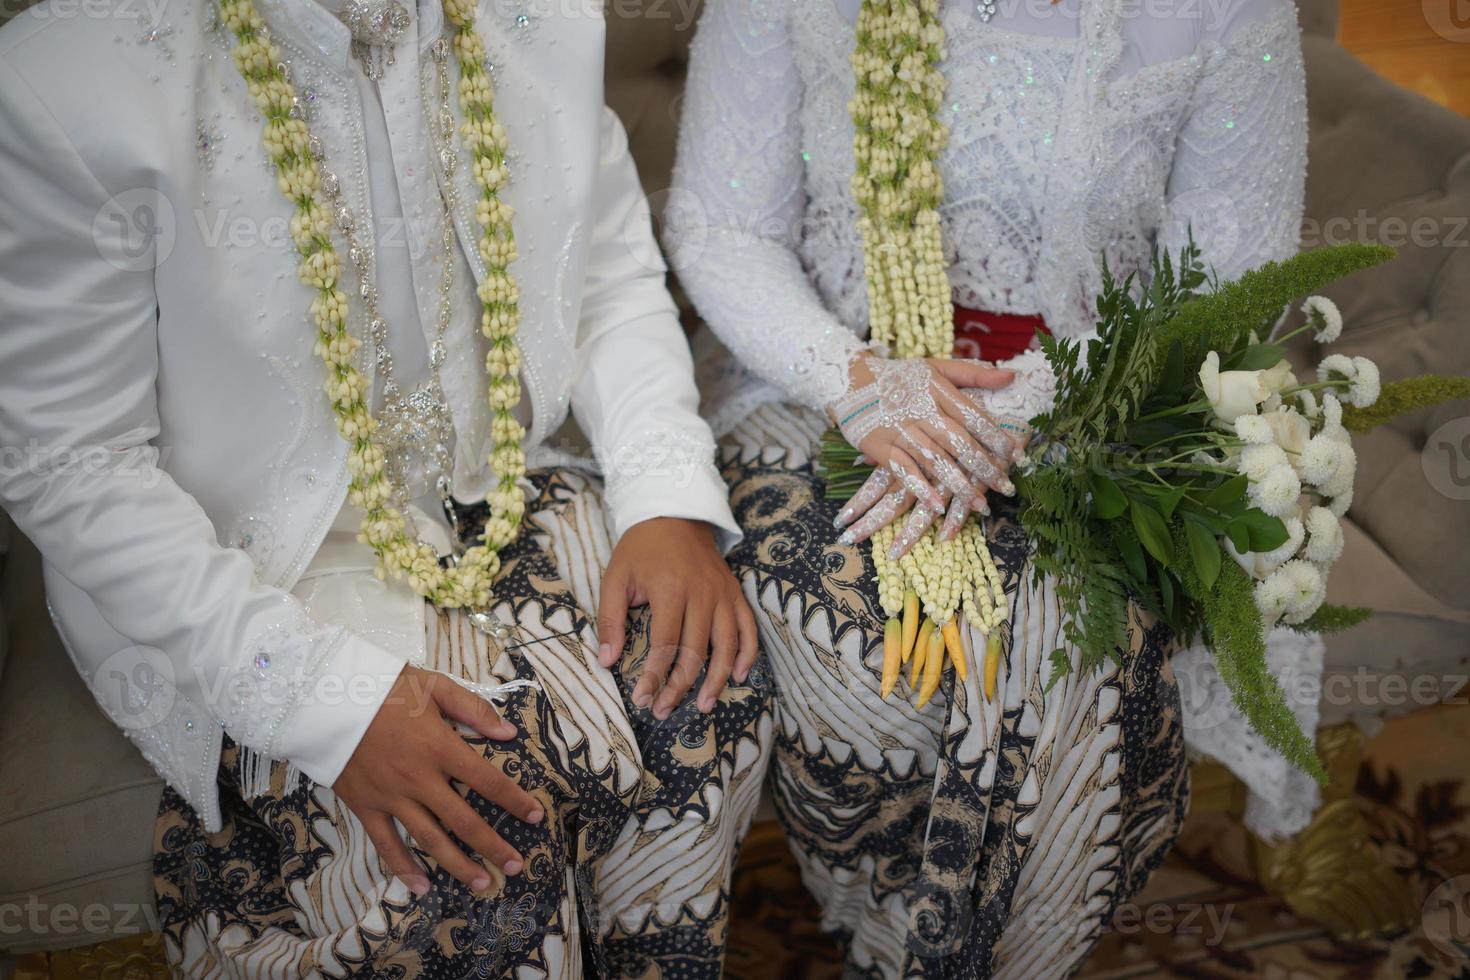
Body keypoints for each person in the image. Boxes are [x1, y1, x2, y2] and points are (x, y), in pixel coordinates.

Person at [0, 0, 772, 974]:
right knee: (473, 848)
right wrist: (328, 702)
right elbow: (76, 460)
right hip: (262, 565)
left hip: (507, 484)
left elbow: (611, 274)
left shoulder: (537, 19)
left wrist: (664, 499)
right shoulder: (66, 82)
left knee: (709, 682)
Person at [670, 0, 1307, 975]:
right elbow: (720, 225)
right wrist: (860, 383)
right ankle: (886, 944)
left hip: (1101, 403)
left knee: (1087, 677)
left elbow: (1228, 277)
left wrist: (1006, 416)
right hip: (821, 380)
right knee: (870, 690)